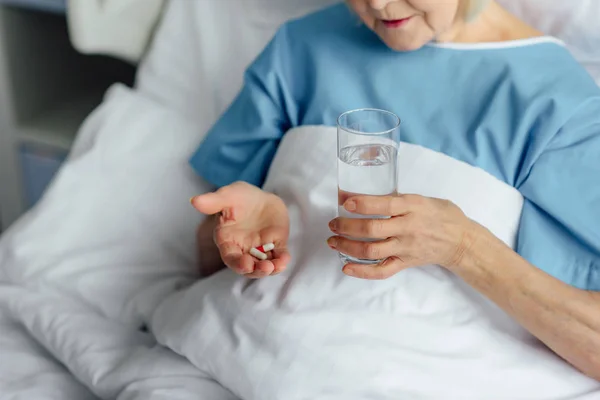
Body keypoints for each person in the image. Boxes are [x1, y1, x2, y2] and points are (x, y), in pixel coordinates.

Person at [189, 0, 600, 381]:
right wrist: (240, 235)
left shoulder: (562, 108)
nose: (380, 5)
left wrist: (464, 248)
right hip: (246, 362)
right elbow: (210, 263)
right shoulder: (301, 48)